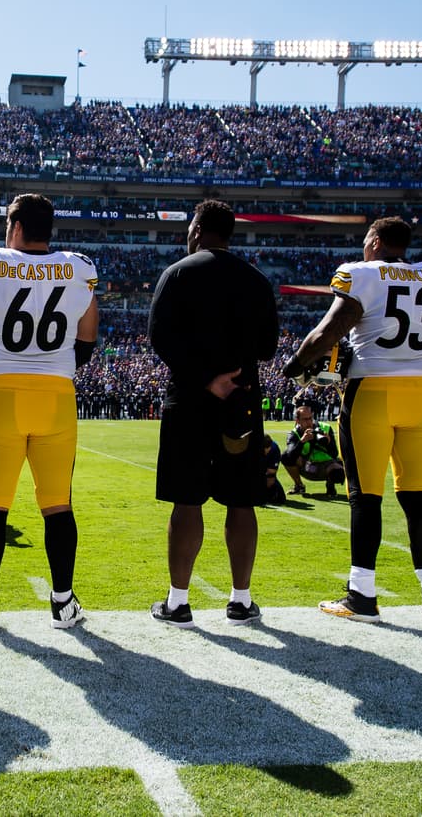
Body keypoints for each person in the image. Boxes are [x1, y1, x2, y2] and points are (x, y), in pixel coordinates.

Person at [284, 216, 422, 624]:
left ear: (377, 241)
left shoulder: (362, 275)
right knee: (419, 498)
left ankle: (362, 595)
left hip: (373, 391)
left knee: (365, 495)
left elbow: (328, 331)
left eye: (367, 239)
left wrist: (295, 367)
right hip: (421, 393)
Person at [0, 193, 99, 631]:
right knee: (59, 505)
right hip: (57, 396)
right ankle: (62, 603)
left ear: (15, 227)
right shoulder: (79, 267)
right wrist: (51, 366)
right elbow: (88, 339)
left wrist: (0, 367)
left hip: (2, 393)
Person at [148, 200, 279, 629]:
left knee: (187, 499)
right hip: (240, 400)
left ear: (200, 229)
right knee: (241, 501)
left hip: (188, 399)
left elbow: (160, 338)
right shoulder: (255, 280)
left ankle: (178, 601)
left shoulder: (179, 272)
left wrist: (205, 378)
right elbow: (267, 348)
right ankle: (240, 600)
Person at [280, 401, 346, 498]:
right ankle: (299, 485)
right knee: (285, 455)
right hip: (306, 467)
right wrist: (302, 442)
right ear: (297, 420)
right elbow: (289, 457)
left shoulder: (325, 428)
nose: (309, 422)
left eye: (310, 418)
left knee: (338, 468)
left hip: (326, 467)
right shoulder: (294, 434)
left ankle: (330, 486)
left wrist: (328, 442)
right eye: (305, 419)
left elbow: (334, 454)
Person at [262, 435, 285, 506]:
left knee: (280, 498)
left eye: (267, 449)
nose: (265, 452)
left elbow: (271, 472)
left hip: (265, 471)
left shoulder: (274, 449)